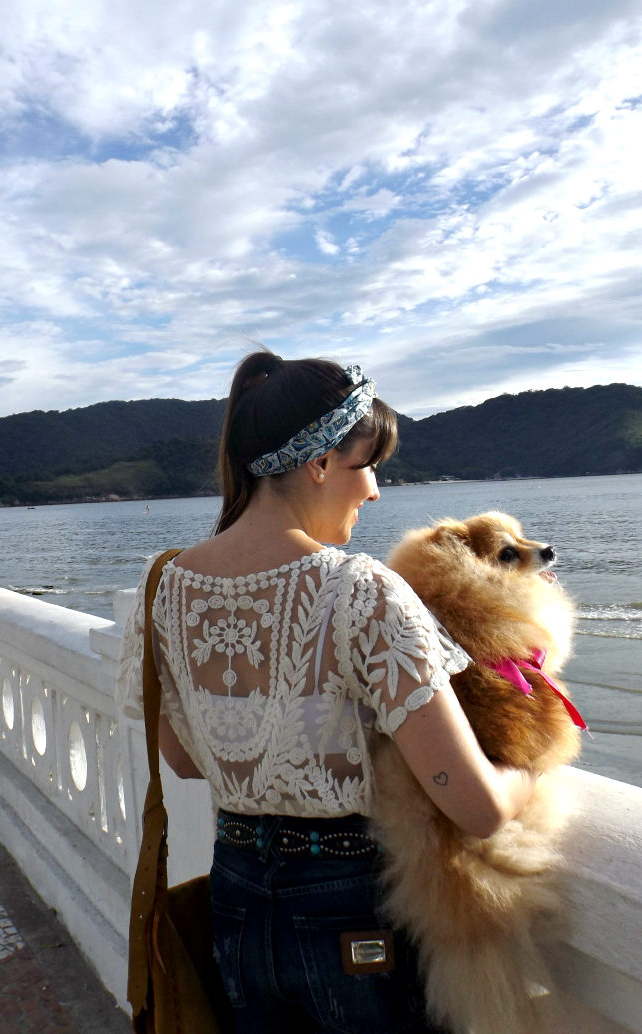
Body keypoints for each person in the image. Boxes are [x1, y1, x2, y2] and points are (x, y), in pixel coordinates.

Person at [116, 351, 541, 1034]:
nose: (374, 491)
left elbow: (187, 760)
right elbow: (478, 808)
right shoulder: (362, 592)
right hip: (352, 910)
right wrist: (529, 775)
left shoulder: (163, 587)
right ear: (318, 462)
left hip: (235, 895)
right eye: (367, 466)